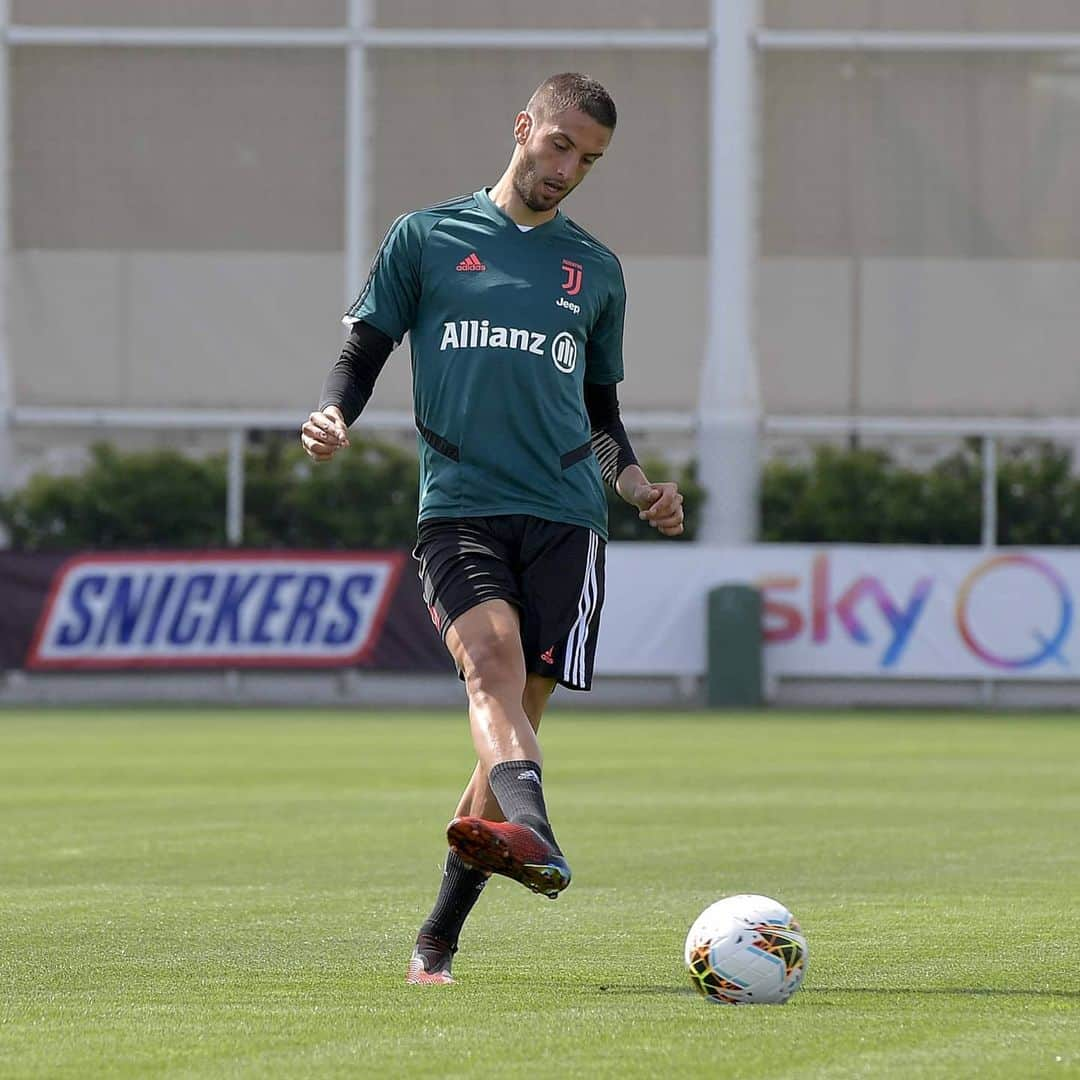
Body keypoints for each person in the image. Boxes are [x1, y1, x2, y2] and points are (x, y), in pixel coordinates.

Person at [301, 73, 685, 985]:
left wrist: (634, 487)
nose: (569, 170)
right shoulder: (428, 237)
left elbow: (601, 411)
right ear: (524, 126)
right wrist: (332, 413)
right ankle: (539, 834)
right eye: (560, 147)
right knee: (492, 672)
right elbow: (365, 349)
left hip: (567, 517)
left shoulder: (595, 268)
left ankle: (438, 933)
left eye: (589, 160)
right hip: (460, 509)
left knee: (510, 725)